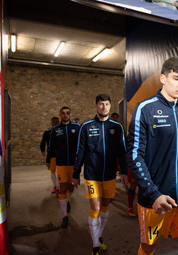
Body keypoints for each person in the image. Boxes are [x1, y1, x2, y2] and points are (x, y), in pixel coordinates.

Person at [127, 57, 178, 255]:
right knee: (148, 248)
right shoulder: (145, 109)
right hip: (156, 199)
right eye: (176, 78)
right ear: (163, 78)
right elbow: (134, 155)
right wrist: (153, 194)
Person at [72, 94, 128, 255]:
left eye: (106, 104)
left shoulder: (117, 128)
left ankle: (98, 236)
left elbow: (122, 152)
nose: (104, 107)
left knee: (105, 206)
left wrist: (124, 172)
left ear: (110, 107)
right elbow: (80, 151)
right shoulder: (86, 126)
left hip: (110, 175)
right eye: (101, 104)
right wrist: (76, 174)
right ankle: (96, 244)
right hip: (92, 175)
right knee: (95, 207)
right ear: (96, 106)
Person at [46, 106, 80, 228]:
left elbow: (81, 145)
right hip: (61, 164)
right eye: (63, 113)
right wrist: (48, 160)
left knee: (71, 187)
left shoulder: (77, 127)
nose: (65, 115)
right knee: (63, 187)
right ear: (60, 115)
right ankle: (64, 216)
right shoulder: (56, 129)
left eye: (68, 113)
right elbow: (51, 146)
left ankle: (67, 201)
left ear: (70, 114)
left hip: (74, 163)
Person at [40, 116, 60, 195]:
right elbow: (43, 142)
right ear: (51, 122)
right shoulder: (47, 132)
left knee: (59, 172)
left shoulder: (61, 131)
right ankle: (55, 186)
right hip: (51, 155)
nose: (55, 123)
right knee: (52, 171)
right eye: (54, 122)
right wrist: (42, 150)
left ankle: (58, 188)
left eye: (57, 122)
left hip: (59, 155)